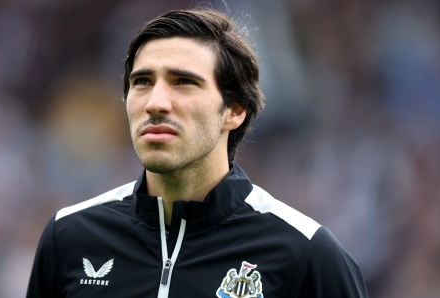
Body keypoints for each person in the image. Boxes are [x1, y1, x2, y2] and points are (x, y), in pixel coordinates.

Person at [27, 8, 368, 298]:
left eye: (184, 82)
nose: (156, 102)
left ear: (234, 110)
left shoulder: (306, 253)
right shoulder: (68, 237)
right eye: (142, 82)